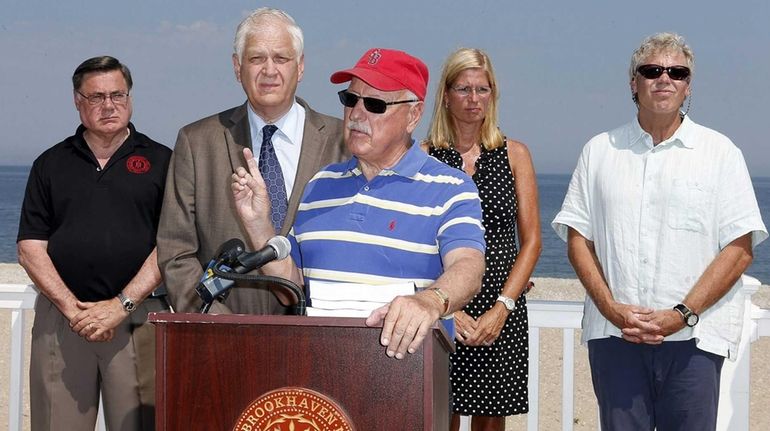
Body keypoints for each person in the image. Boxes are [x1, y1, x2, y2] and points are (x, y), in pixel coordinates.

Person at [552, 32, 767, 430]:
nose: (664, 79)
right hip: (615, 338)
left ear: (688, 86)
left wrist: (682, 315)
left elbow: (738, 248)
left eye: (676, 72)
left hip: (695, 341)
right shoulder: (599, 151)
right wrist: (611, 309)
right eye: (652, 70)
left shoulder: (721, 153)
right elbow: (579, 238)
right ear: (634, 83)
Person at [231, 48, 487, 359]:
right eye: (350, 99)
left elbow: (470, 268)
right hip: (319, 376)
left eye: (375, 104)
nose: (356, 114)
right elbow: (292, 288)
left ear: (414, 115)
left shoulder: (451, 188)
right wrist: (259, 226)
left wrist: (430, 302)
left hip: (408, 380)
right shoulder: (320, 184)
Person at [157, 7, 347, 314]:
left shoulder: (344, 143)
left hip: (322, 335)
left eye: (281, 59)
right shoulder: (196, 143)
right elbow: (175, 251)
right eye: (257, 58)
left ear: (300, 67)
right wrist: (220, 325)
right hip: (224, 341)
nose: (269, 71)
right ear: (237, 67)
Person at [17, 56, 171, 430]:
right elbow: (29, 247)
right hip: (64, 322)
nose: (108, 105)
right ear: (77, 101)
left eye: (117, 94)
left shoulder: (163, 161)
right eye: (96, 96)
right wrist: (74, 311)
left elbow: (171, 243)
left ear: (130, 97)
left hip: (138, 319)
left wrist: (120, 306)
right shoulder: (50, 164)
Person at [423, 48, 541, 431]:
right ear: (445, 94)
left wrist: (502, 307)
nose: (474, 99)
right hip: (441, 307)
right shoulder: (423, 158)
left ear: (493, 94)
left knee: (491, 423)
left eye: (483, 89)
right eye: (464, 89)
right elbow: (415, 241)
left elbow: (532, 240)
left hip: (501, 308)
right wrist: (445, 308)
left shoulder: (514, 155)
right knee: (442, 416)